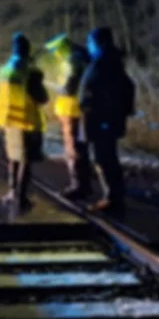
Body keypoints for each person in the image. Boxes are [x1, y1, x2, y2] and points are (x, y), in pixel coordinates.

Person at [79, 26, 136, 217]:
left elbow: (104, 90)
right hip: (105, 118)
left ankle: (112, 198)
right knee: (106, 156)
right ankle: (113, 195)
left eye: (90, 42)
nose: (88, 46)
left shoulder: (105, 62)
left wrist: (104, 116)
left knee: (105, 157)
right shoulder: (108, 60)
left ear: (99, 42)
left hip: (103, 119)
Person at [0, 33, 49, 215]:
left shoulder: (5, 70)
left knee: (13, 158)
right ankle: (21, 196)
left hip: (9, 121)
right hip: (27, 122)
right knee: (25, 161)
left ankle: (11, 191)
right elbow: (42, 98)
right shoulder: (30, 72)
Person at [44, 34, 92, 200]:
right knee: (81, 147)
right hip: (78, 110)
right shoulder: (82, 59)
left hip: (71, 110)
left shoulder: (72, 62)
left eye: (55, 51)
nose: (54, 54)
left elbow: (68, 89)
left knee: (73, 149)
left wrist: (48, 84)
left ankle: (78, 186)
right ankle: (84, 183)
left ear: (61, 49)